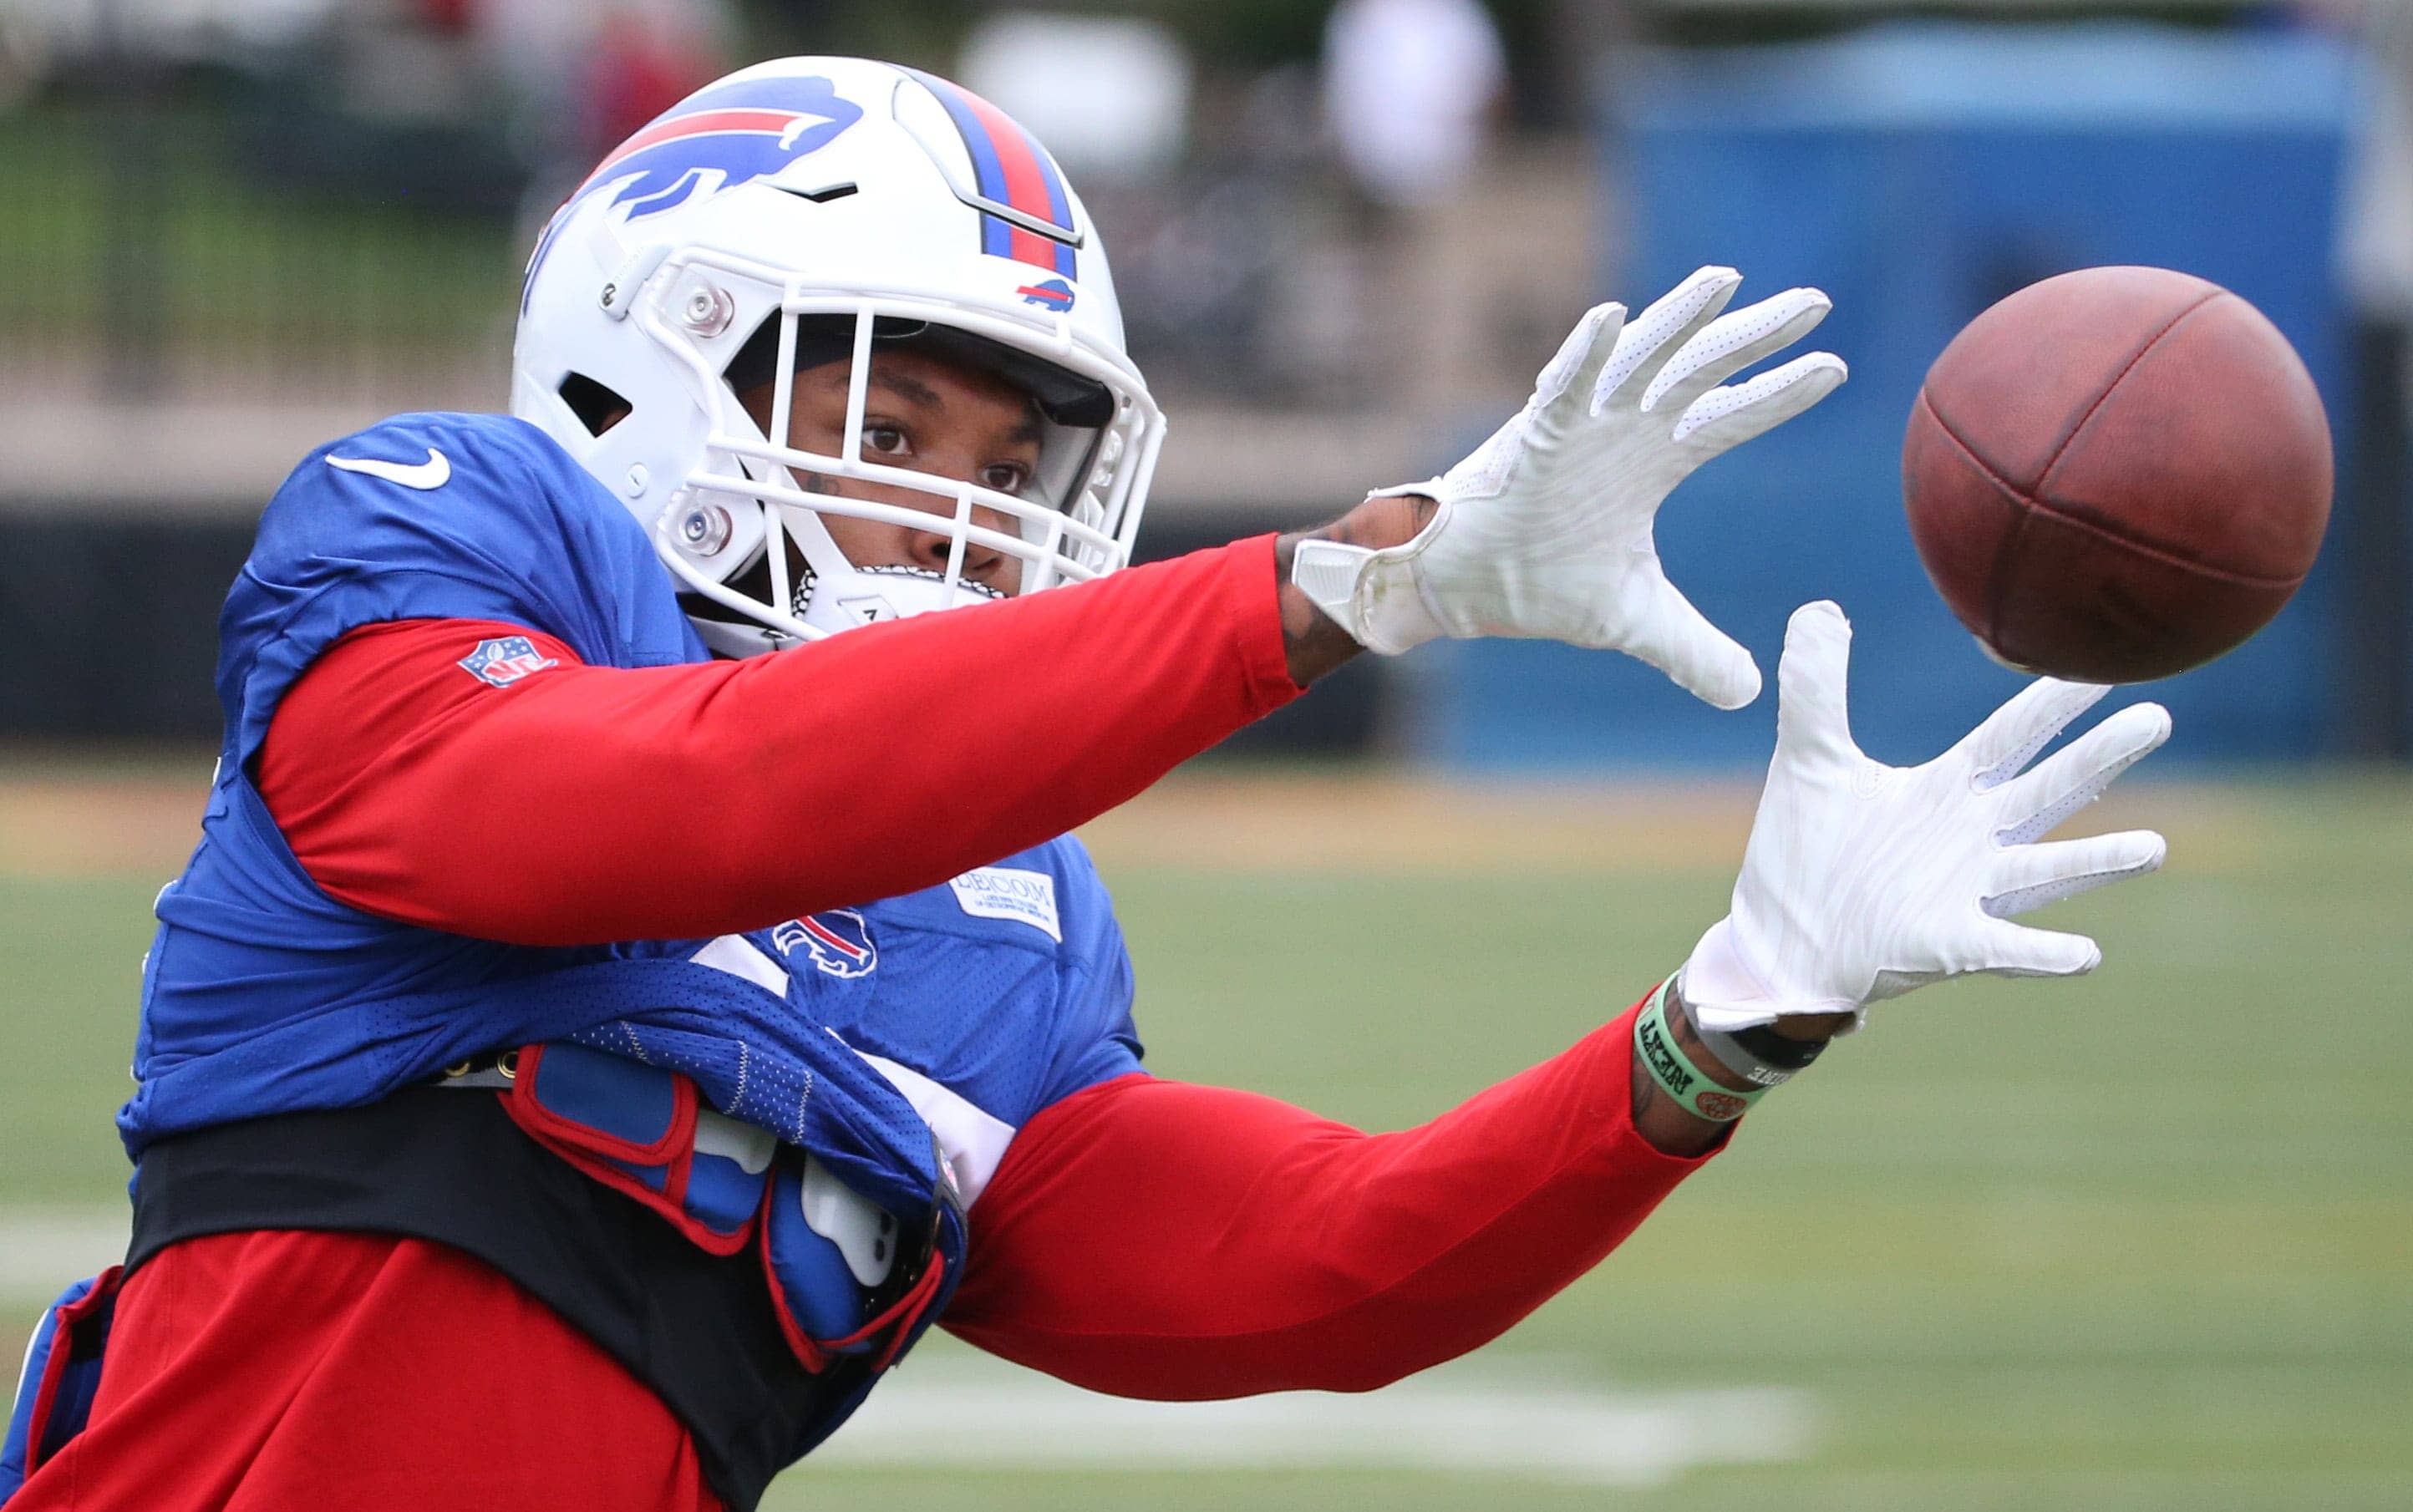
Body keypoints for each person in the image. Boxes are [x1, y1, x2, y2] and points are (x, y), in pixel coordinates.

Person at [0, 55, 2172, 1512]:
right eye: (887, 411)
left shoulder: (1000, 919)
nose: (953, 507)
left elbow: (1317, 1264)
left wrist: (1719, 1024)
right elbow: (658, 803)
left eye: (1007, 459)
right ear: (656, 340)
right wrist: (1331, 592)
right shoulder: (457, 526)